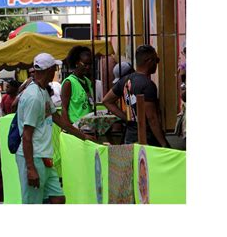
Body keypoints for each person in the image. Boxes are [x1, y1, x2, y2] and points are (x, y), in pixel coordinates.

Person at [16, 53, 94, 204]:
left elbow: (58, 119)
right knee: (33, 202)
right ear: (49, 70)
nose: (55, 72)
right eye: (55, 68)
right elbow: (26, 135)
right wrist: (30, 168)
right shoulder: (34, 97)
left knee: (58, 198)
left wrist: (83, 136)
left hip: (43, 155)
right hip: (34, 156)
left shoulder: (42, 91)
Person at [102, 44, 170, 147]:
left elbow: (106, 101)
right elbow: (152, 118)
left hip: (129, 137)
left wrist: (127, 118)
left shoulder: (125, 80)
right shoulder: (148, 85)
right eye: (157, 60)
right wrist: (164, 144)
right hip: (147, 140)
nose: (157, 63)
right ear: (149, 61)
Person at [61, 46, 94, 126]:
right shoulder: (69, 82)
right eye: (85, 64)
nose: (88, 67)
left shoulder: (88, 81)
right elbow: (64, 108)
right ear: (76, 63)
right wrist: (68, 128)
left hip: (89, 127)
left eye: (90, 64)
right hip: (75, 127)